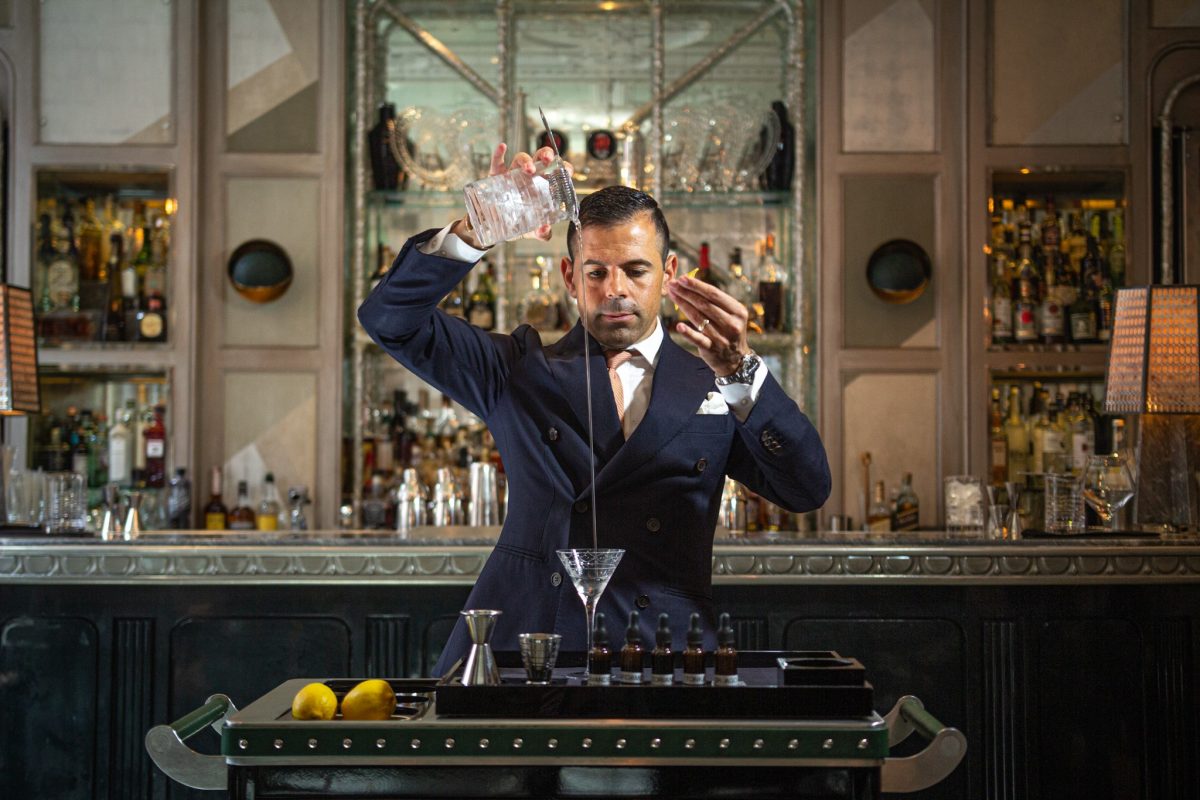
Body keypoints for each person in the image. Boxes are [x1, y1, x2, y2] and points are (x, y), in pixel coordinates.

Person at [358, 144, 830, 675]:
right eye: (596, 272)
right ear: (569, 276)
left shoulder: (715, 381)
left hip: (662, 652)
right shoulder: (517, 369)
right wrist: (478, 228)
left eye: (635, 270)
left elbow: (806, 489)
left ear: (670, 272)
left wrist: (743, 372)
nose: (615, 291)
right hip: (531, 645)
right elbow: (388, 319)